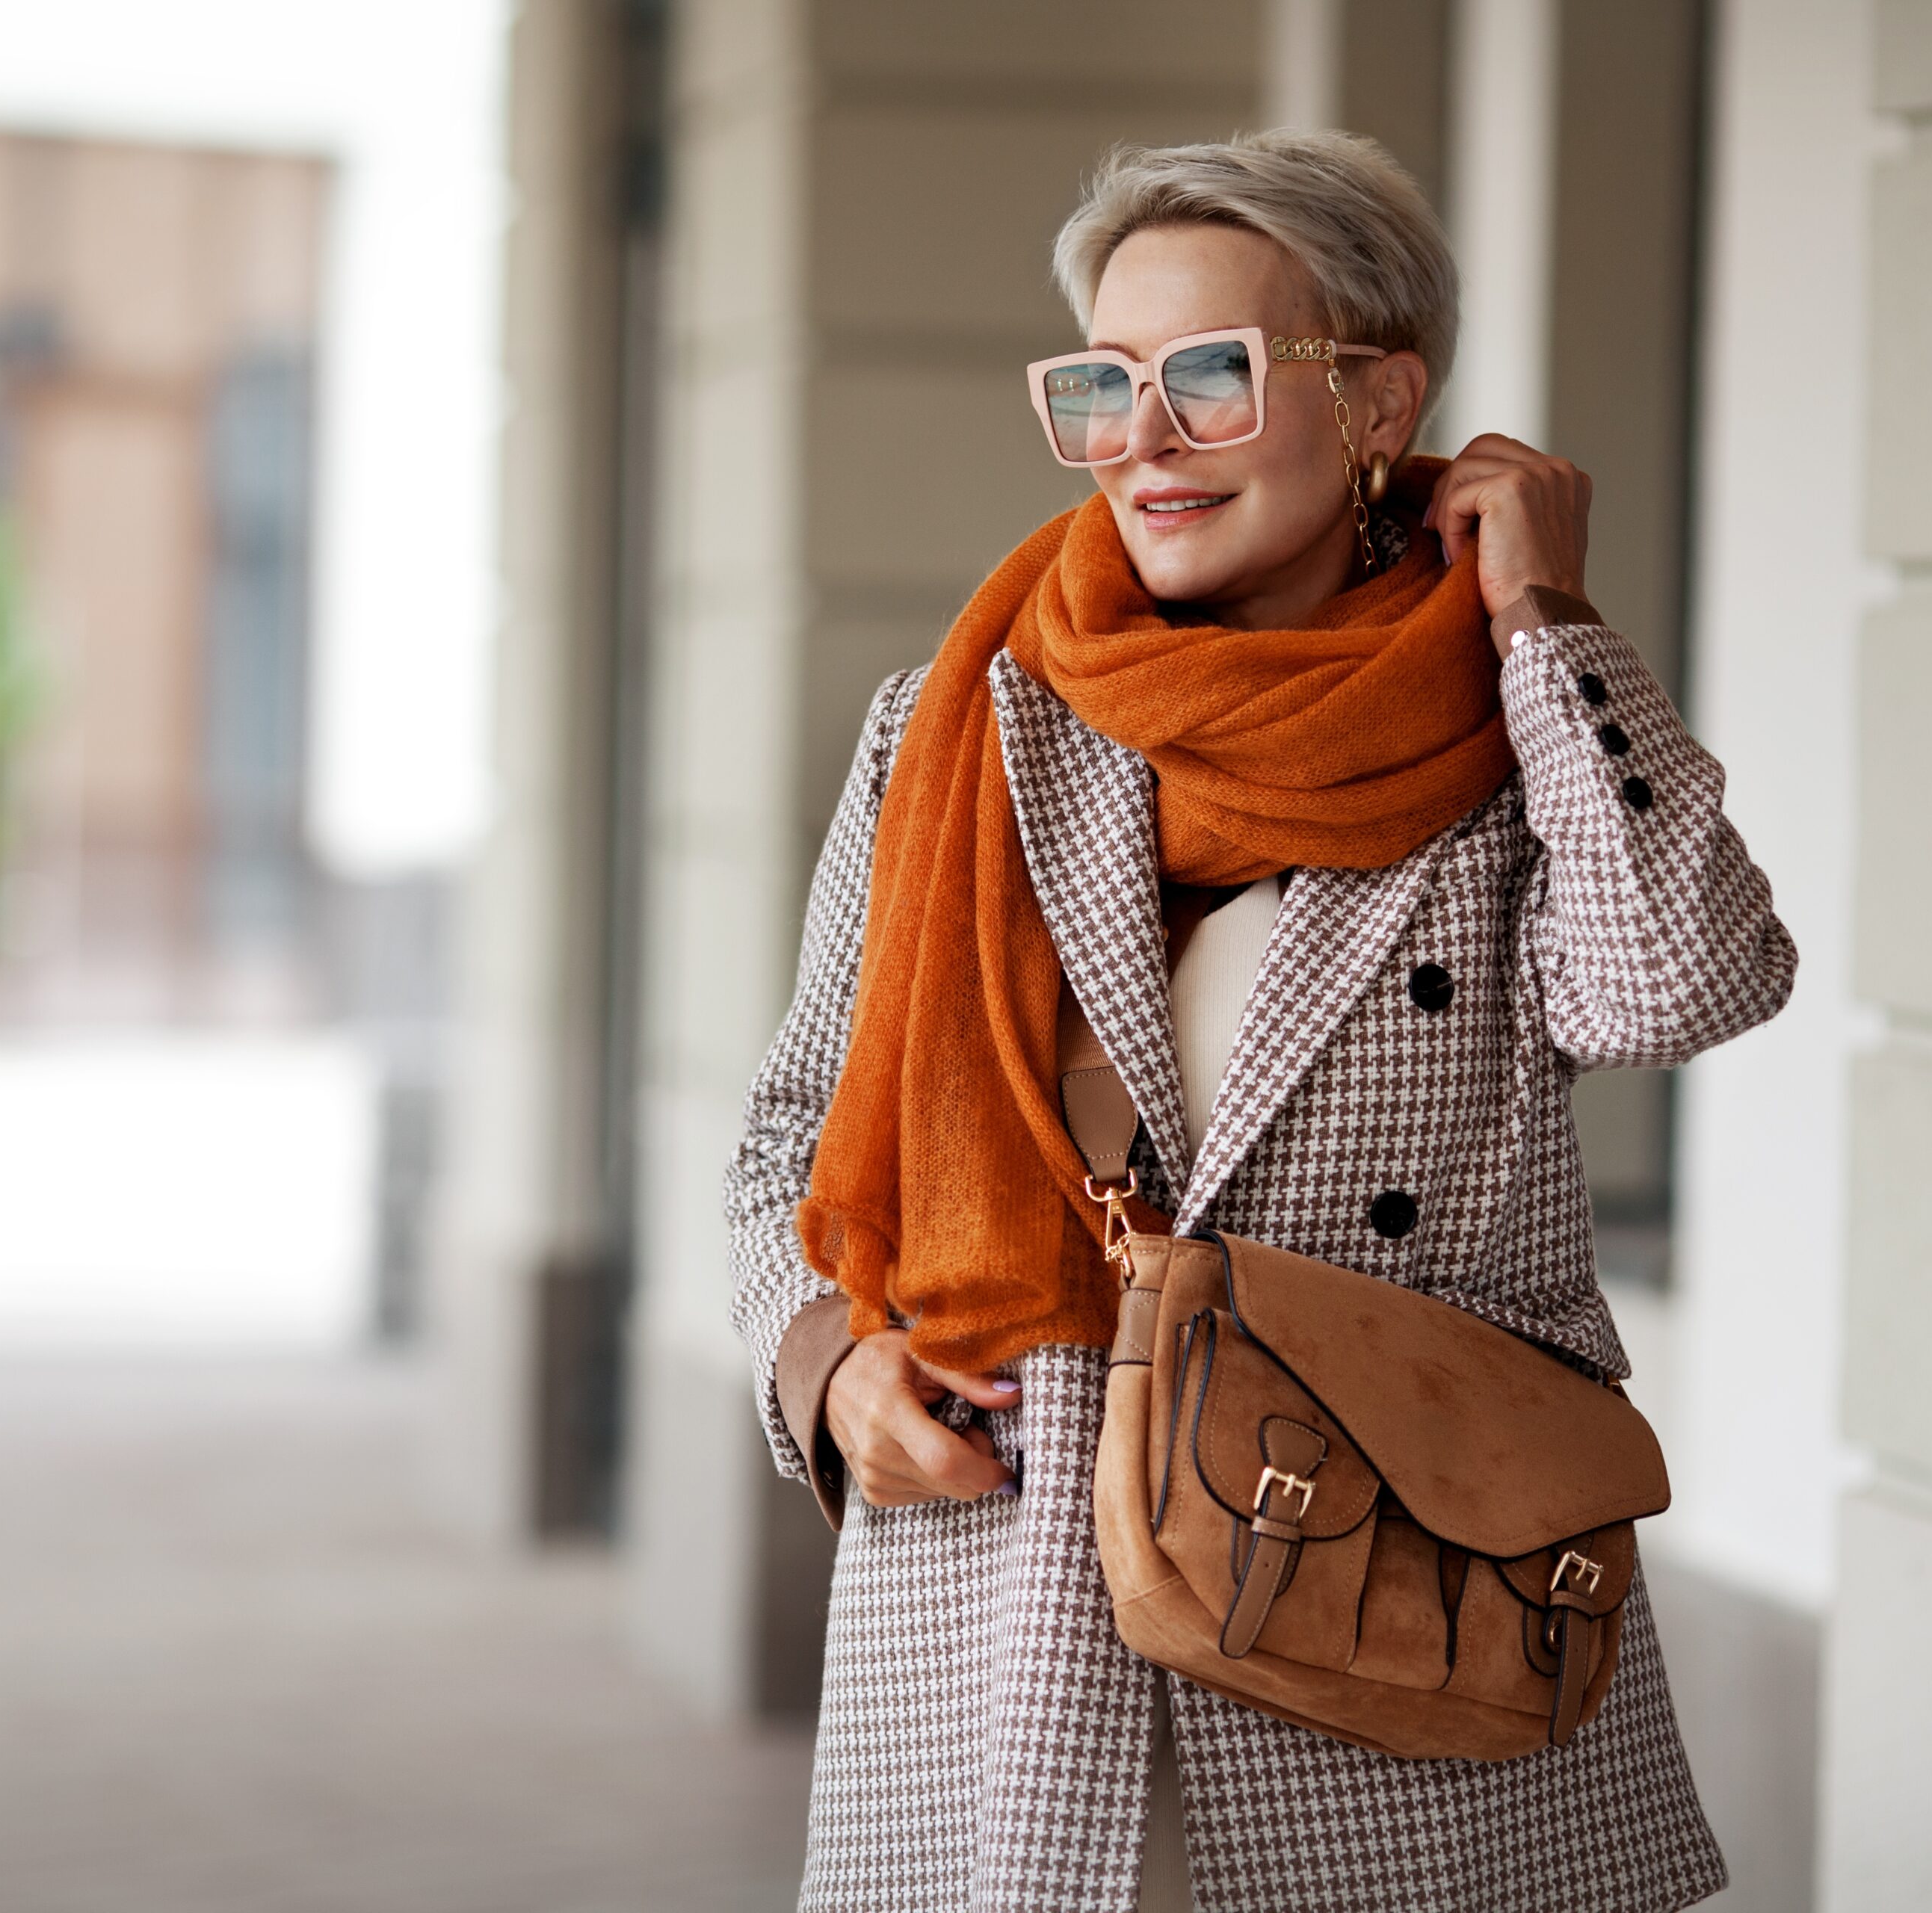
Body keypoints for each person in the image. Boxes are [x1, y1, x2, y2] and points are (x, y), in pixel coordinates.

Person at [725, 129, 1793, 1913]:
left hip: (1397, 1597)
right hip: (1026, 1590)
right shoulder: (968, 727)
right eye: (1103, 385)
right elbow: (787, 1139)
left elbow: (1682, 978)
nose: (1143, 439)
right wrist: (827, 1360)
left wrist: (1546, 615)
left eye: (1210, 378)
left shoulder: (1513, 728)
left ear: (1380, 400)